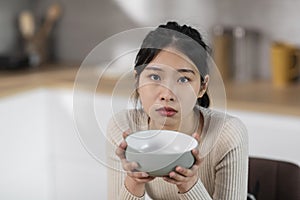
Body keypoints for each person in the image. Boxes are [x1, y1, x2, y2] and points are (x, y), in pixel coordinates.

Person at [106, 21, 248, 200]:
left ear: (202, 87)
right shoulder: (123, 129)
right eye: (155, 77)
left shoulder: (227, 134)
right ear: (137, 81)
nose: (167, 94)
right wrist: (134, 181)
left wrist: (189, 185)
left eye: (183, 79)